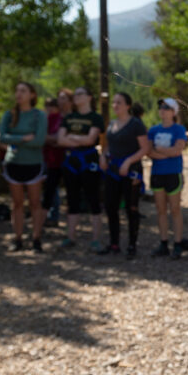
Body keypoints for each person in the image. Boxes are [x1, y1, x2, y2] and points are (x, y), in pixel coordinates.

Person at [0, 82, 48, 252]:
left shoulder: (39, 116)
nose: (19, 94)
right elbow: (0, 138)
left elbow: (39, 141)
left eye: (23, 91)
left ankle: (36, 238)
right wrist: (24, 138)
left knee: (34, 203)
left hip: (33, 164)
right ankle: (17, 239)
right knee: (17, 203)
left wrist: (13, 139)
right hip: (13, 164)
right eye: (17, 90)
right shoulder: (9, 115)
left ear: (32, 95)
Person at [101, 92, 150, 258]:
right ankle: (114, 243)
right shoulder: (112, 124)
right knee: (111, 207)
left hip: (131, 172)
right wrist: (103, 156)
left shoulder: (135, 124)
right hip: (113, 171)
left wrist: (128, 162)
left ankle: (131, 245)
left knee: (131, 208)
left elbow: (145, 148)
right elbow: (108, 145)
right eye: (114, 103)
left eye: (119, 103)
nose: (115, 105)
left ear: (127, 106)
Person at [56, 86, 104, 251]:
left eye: (80, 94)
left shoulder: (95, 118)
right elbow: (60, 140)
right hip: (72, 162)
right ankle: (71, 237)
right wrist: (79, 139)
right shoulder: (69, 118)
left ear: (89, 97)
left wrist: (72, 137)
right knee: (72, 199)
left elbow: (91, 140)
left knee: (93, 199)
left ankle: (96, 239)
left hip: (89, 161)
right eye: (75, 94)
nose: (76, 97)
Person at [147, 97, 187, 259]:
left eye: (166, 107)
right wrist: (167, 152)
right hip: (157, 174)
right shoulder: (153, 130)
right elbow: (149, 151)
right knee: (161, 210)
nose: (162, 109)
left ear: (173, 112)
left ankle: (177, 244)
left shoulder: (179, 129)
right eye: (160, 106)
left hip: (173, 173)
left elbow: (177, 150)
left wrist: (160, 152)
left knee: (175, 209)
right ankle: (163, 243)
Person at [42, 96, 65, 225]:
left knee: (53, 189)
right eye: (47, 106)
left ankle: (54, 216)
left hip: (58, 159)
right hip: (46, 158)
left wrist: (43, 138)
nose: (49, 109)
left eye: (52, 106)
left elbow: (57, 139)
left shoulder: (60, 119)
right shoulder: (45, 119)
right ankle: (46, 216)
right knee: (47, 189)